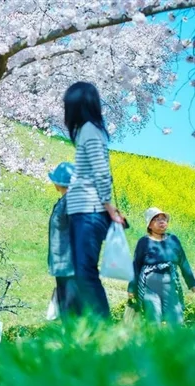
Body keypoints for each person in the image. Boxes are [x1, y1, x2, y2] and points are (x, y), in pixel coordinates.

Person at [63, 82, 126, 319]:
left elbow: (101, 171)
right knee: (80, 272)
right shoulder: (88, 131)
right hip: (84, 211)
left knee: (85, 272)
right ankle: (85, 329)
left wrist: (109, 208)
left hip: (90, 211)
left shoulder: (89, 130)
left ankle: (103, 328)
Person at [128, 208, 195, 325]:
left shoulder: (173, 240)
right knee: (153, 318)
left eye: (163, 219)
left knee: (176, 318)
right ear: (149, 225)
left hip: (169, 283)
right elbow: (136, 265)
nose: (161, 222)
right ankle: (155, 342)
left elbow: (183, 261)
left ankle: (175, 342)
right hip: (149, 286)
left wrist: (192, 284)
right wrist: (131, 288)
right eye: (156, 219)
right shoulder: (143, 242)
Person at [47, 162, 79, 317]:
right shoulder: (64, 201)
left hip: (71, 267)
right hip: (63, 265)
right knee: (66, 311)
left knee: (70, 312)